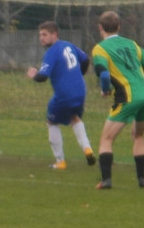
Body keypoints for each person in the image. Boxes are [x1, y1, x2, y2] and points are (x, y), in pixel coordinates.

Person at [90, 10, 144, 190]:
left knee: (106, 139)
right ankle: (142, 180)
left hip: (128, 96)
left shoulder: (100, 49)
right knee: (139, 135)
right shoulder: (132, 44)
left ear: (100, 28)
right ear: (119, 27)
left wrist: (106, 90)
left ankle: (106, 181)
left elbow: (104, 74)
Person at [27, 20, 95, 169]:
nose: (41, 38)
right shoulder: (69, 45)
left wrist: (33, 75)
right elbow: (85, 59)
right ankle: (87, 149)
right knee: (74, 118)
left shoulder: (52, 52)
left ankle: (60, 161)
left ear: (54, 35)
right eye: (40, 35)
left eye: (45, 34)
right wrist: (79, 74)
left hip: (65, 94)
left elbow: (43, 77)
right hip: (80, 91)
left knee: (51, 121)